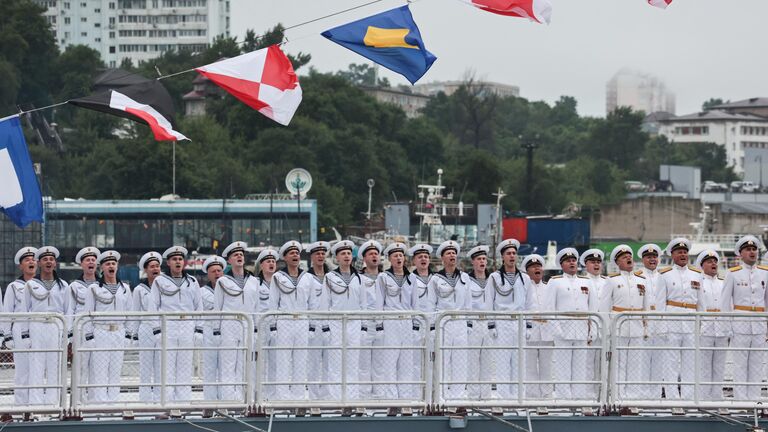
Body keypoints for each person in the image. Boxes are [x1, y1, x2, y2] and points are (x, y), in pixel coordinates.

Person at [148, 246, 204, 402]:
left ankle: (183, 403)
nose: (178, 262)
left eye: (180, 259)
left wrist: (199, 330)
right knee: (166, 367)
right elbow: (153, 306)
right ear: (168, 263)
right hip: (168, 325)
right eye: (174, 259)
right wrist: (157, 330)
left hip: (187, 324)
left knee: (185, 367)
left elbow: (198, 306)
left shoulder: (192, 281)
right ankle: (165, 404)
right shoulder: (160, 281)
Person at [720, 235, 768, 400]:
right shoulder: (732, 274)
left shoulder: (765, 273)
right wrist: (727, 328)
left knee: (757, 364)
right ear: (740, 254)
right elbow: (725, 304)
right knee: (740, 364)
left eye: (754, 249)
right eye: (748, 250)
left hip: (760, 324)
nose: (752, 252)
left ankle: (755, 401)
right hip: (740, 323)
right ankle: (741, 401)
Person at [599, 245, 649, 399]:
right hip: (618, 326)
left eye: (629, 256)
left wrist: (646, 327)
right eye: (623, 257)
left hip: (636, 327)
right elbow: (604, 307)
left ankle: (632, 398)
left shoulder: (642, 280)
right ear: (617, 262)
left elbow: (646, 307)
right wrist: (607, 329)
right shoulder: (612, 280)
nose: (628, 258)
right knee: (618, 363)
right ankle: (618, 396)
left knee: (636, 363)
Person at [83, 250, 133, 403]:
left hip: (118, 331)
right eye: (107, 264)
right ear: (102, 268)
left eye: (113, 263)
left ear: (117, 266)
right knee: (99, 371)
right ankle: (99, 403)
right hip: (101, 331)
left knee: (115, 370)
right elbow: (87, 314)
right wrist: (89, 336)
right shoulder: (94, 289)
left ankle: (113, 402)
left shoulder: (125, 288)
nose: (111, 266)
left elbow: (130, 313)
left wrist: (128, 334)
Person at [656, 237, 702, 399]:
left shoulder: (697, 275)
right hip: (672, 322)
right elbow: (660, 302)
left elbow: (700, 302)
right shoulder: (665, 275)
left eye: (685, 252)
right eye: (679, 252)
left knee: (691, 363)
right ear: (673, 255)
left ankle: (689, 398)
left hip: (691, 322)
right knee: (671, 363)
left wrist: (700, 324)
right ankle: (673, 398)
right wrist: (661, 326)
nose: (683, 255)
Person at [23, 246, 69, 405]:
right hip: (37, 325)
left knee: (54, 365)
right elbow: (24, 310)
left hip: (56, 326)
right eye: (45, 259)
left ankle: (53, 403)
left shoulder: (63, 285)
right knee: (36, 365)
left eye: (51, 259)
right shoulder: (30, 285)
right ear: (39, 263)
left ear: (55, 263)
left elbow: (68, 311)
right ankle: (35, 404)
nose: (48, 262)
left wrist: (67, 334)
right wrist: (25, 335)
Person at [216, 241, 261, 402]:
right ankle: (229, 400)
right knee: (228, 363)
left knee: (246, 364)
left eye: (241, 254)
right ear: (229, 260)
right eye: (235, 255)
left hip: (248, 324)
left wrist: (256, 329)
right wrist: (217, 331)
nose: (239, 257)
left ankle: (246, 399)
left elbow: (257, 307)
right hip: (229, 323)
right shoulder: (222, 281)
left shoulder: (254, 281)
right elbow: (218, 308)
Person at [550, 247, 596, 400]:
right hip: (563, 328)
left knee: (580, 367)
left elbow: (593, 308)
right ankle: (564, 399)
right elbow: (549, 307)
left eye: (573, 260)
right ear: (561, 265)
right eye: (568, 261)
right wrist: (556, 328)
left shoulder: (586, 282)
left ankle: (579, 398)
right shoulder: (555, 282)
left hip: (581, 328)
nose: (572, 263)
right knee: (562, 367)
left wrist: (593, 330)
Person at [268, 240, 312, 401]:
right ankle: (282, 397)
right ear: (285, 257)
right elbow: (273, 303)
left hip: (302, 320)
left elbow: (312, 304)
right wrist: (273, 327)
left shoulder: (307, 277)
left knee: (301, 360)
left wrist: (311, 325)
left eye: (297, 253)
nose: (295, 255)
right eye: (291, 253)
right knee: (283, 360)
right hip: (284, 320)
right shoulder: (278, 277)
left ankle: (298, 397)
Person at [428, 240, 471, 400]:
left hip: (460, 322)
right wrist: (432, 327)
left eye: (454, 253)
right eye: (448, 253)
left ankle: (458, 397)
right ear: (442, 258)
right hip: (443, 322)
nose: (452, 255)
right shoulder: (435, 279)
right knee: (442, 361)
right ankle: (441, 397)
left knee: (460, 361)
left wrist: (469, 325)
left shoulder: (464, 277)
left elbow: (468, 305)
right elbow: (431, 305)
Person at [322, 240, 365, 400]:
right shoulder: (330, 277)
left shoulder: (359, 278)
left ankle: (352, 397)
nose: (346, 256)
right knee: (335, 362)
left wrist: (363, 327)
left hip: (354, 322)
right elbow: (324, 304)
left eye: (348, 253)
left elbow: (363, 304)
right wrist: (326, 327)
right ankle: (335, 398)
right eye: (343, 254)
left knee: (353, 362)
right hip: (336, 322)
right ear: (337, 258)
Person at [487, 239, 528, 399]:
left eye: (514, 253)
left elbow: (529, 303)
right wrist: (491, 325)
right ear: (502, 257)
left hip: (519, 321)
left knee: (519, 362)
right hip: (502, 321)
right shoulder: (494, 277)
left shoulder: (524, 278)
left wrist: (529, 326)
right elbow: (489, 302)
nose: (512, 256)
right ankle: (503, 398)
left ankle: (519, 398)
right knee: (503, 361)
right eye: (508, 253)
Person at [374, 242, 414, 401]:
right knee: (390, 360)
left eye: (401, 255)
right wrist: (379, 325)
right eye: (395, 255)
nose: (399, 258)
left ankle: (405, 398)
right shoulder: (383, 277)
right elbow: (379, 303)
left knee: (406, 361)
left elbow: (415, 304)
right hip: (391, 320)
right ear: (390, 259)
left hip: (407, 320)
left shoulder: (411, 278)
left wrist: (416, 324)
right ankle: (391, 398)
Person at [3, 247, 37, 405]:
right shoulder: (14, 286)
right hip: (19, 329)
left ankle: (37, 404)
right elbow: (7, 312)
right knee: (23, 371)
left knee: (38, 370)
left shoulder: (43, 285)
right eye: (27, 260)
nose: (31, 261)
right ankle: (21, 405)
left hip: (38, 329)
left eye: (33, 259)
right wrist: (7, 335)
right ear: (21, 266)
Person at [67, 246, 100, 403]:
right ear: (82, 264)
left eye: (93, 260)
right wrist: (69, 336)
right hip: (81, 331)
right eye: (87, 260)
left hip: (99, 331)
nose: (91, 262)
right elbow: (70, 311)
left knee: (97, 368)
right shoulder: (74, 286)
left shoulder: (102, 285)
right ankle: (78, 402)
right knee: (80, 368)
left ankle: (94, 402)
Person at [696, 249, 729, 400]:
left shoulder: (724, 283)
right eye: (709, 262)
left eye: (715, 261)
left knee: (719, 366)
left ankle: (717, 398)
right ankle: (703, 399)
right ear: (702, 265)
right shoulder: (698, 283)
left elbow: (731, 305)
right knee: (703, 367)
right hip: (705, 328)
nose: (713, 264)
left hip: (722, 328)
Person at [132, 251, 163, 402]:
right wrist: (134, 334)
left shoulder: (165, 287)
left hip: (162, 328)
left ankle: (159, 398)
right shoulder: (139, 289)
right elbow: (136, 313)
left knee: (161, 366)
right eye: (151, 266)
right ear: (146, 270)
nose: (155, 269)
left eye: (157, 266)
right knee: (145, 365)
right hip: (146, 328)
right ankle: (144, 399)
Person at [522, 254, 554, 399]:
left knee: (546, 366)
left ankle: (546, 396)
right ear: (527, 271)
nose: (537, 269)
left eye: (539, 266)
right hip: (530, 330)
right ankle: (532, 397)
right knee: (530, 367)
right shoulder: (523, 289)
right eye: (533, 267)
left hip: (546, 331)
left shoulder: (549, 288)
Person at [635, 243, 664, 399]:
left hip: (660, 321)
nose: (652, 260)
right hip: (645, 322)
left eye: (654, 257)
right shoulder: (637, 276)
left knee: (659, 359)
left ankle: (656, 395)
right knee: (643, 359)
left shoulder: (664, 276)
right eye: (648, 257)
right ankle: (643, 395)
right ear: (643, 259)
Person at [465, 245, 493, 399]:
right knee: (473, 360)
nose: (482, 262)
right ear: (473, 262)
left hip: (488, 323)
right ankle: (473, 396)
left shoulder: (493, 279)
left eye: (484, 259)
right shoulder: (466, 280)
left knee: (487, 360)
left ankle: (487, 396)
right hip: (474, 323)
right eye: (479, 259)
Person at [304, 241, 331, 400]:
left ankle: (328, 396)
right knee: (313, 362)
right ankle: (314, 397)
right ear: (312, 257)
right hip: (313, 324)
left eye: (323, 253)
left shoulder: (332, 276)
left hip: (331, 323)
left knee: (330, 362)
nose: (321, 256)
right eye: (317, 254)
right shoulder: (306, 277)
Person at [407, 243, 434, 399]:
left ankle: (432, 396)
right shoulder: (409, 279)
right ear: (414, 261)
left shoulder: (436, 279)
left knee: (433, 362)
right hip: (416, 326)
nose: (423, 259)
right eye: (420, 257)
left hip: (433, 325)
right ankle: (417, 397)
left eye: (426, 257)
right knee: (416, 362)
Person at [357, 240, 383, 399]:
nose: (374, 256)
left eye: (376, 253)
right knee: (363, 362)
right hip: (364, 324)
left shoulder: (386, 278)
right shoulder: (358, 278)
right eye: (371, 254)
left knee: (381, 361)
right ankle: (364, 395)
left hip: (383, 324)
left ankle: (380, 394)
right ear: (364, 258)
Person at [580, 248, 606, 397]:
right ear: (586, 265)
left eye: (598, 262)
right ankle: (589, 396)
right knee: (588, 364)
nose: (596, 265)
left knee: (604, 365)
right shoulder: (582, 281)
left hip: (605, 329)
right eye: (592, 262)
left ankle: (602, 396)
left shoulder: (607, 282)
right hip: (588, 328)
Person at [200, 255, 225, 403]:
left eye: (219, 271)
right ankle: (209, 402)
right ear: (208, 274)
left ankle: (225, 401)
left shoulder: (229, 289)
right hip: (209, 330)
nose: (217, 273)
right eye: (213, 271)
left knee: (226, 369)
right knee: (210, 368)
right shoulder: (203, 291)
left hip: (226, 331)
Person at [255, 248, 278, 400]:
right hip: (261, 327)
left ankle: (273, 396)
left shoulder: (281, 282)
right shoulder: (255, 283)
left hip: (278, 327)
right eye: (268, 261)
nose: (271, 264)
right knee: (259, 362)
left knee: (275, 362)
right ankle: (259, 394)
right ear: (261, 265)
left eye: (273, 261)